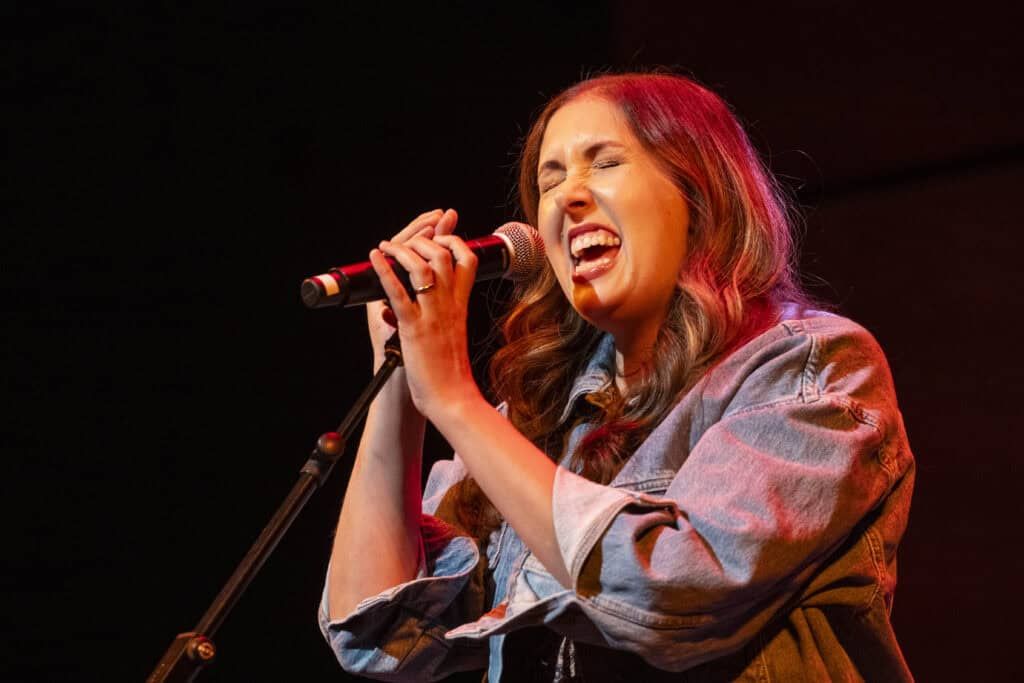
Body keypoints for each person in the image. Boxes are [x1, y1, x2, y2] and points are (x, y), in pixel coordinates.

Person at [318, 72, 915, 681]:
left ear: (699, 195)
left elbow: (670, 588)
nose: (567, 197)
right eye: (550, 180)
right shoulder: (531, 425)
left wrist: (452, 399)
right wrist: (400, 379)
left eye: (604, 163)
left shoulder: (810, 368)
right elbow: (378, 632)